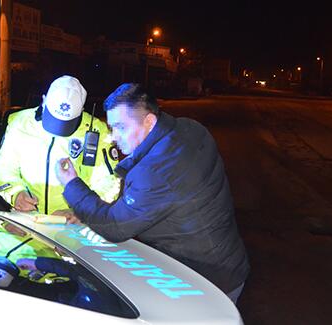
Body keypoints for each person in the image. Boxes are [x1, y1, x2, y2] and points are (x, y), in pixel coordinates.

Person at [54, 83, 250, 303]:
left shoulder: (155, 171)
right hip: (227, 263)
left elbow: (115, 226)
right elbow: (150, 201)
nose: (113, 137)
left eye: (120, 127)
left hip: (204, 282)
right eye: (111, 128)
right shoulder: (189, 128)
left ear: (149, 121)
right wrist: (87, 211)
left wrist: (71, 184)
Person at [0, 75, 120, 218]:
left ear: (81, 110)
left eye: (66, 124)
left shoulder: (98, 132)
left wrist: (84, 210)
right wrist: (16, 194)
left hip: (75, 226)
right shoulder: (20, 122)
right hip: (27, 220)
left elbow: (110, 182)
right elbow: (3, 169)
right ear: (44, 99)